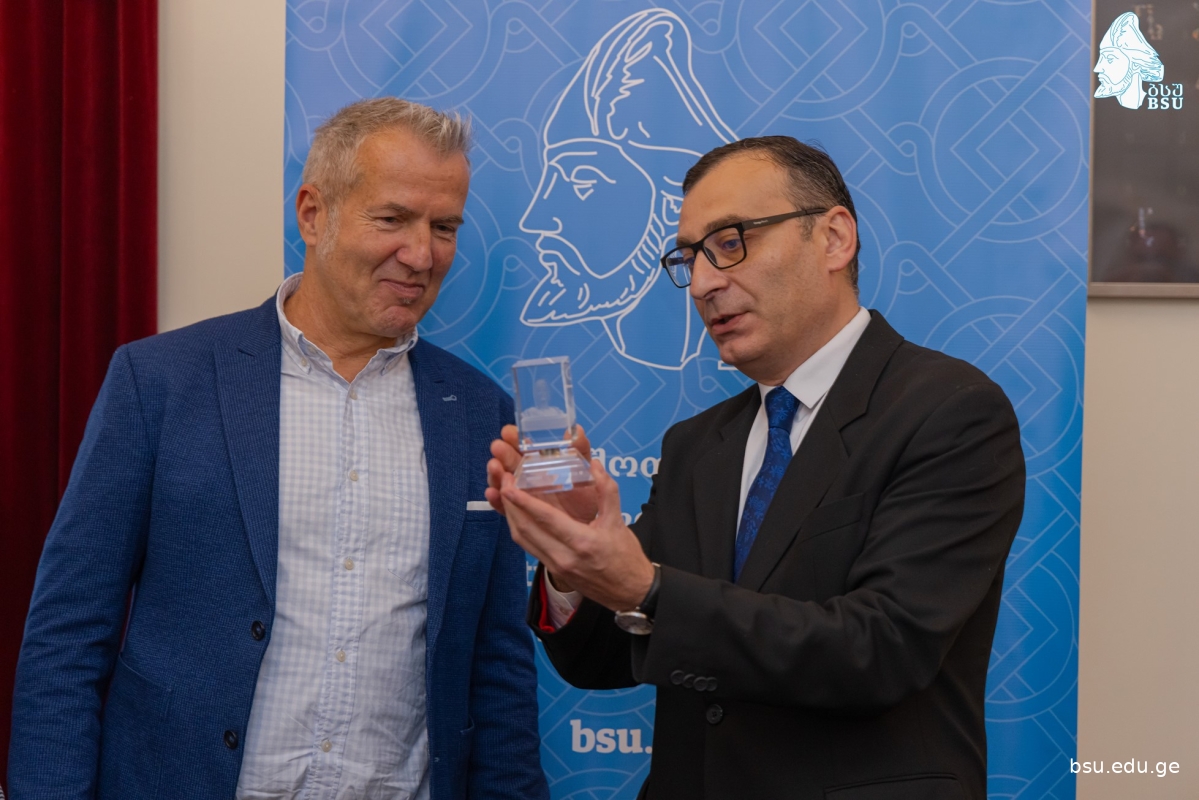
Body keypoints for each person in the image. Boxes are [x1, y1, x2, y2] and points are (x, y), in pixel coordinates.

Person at [10, 98, 548, 800]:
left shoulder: (480, 414)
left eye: (443, 227)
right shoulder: (162, 382)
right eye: (392, 219)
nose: (421, 255)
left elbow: (497, 664)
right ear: (313, 214)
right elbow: (68, 632)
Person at [487, 136, 1025, 800]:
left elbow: (880, 650)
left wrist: (646, 588)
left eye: (731, 241)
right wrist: (572, 561)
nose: (704, 282)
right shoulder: (696, 444)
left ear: (833, 238)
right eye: (689, 257)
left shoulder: (949, 411)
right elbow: (603, 660)